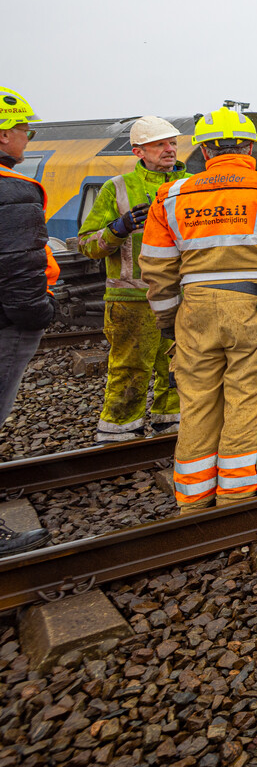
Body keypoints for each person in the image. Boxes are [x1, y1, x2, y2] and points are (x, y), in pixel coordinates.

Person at [141, 109, 257, 510]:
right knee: (245, 401)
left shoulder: (170, 196)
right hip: (253, 310)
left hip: (195, 311)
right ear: (251, 147)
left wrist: (169, 320)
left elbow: (156, 267)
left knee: (198, 403)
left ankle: (192, 499)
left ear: (204, 151)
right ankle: (236, 498)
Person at [75, 116, 190, 442]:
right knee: (129, 371)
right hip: (132, 301)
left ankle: (173, 431)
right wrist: (117, 229)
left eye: (172, 143)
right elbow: (87, 244)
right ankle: (118, 438)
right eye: (159, 144)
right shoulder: (118, 188)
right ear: (138, 151)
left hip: (184, 299)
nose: (169, 149)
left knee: (180, 370)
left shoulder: (193, 185)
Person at [0, 87, 55, 555]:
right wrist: (43, 312)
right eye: (23, 129)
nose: (26, 138)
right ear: (3, 134)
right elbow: (20, 271)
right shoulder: (13, 191)